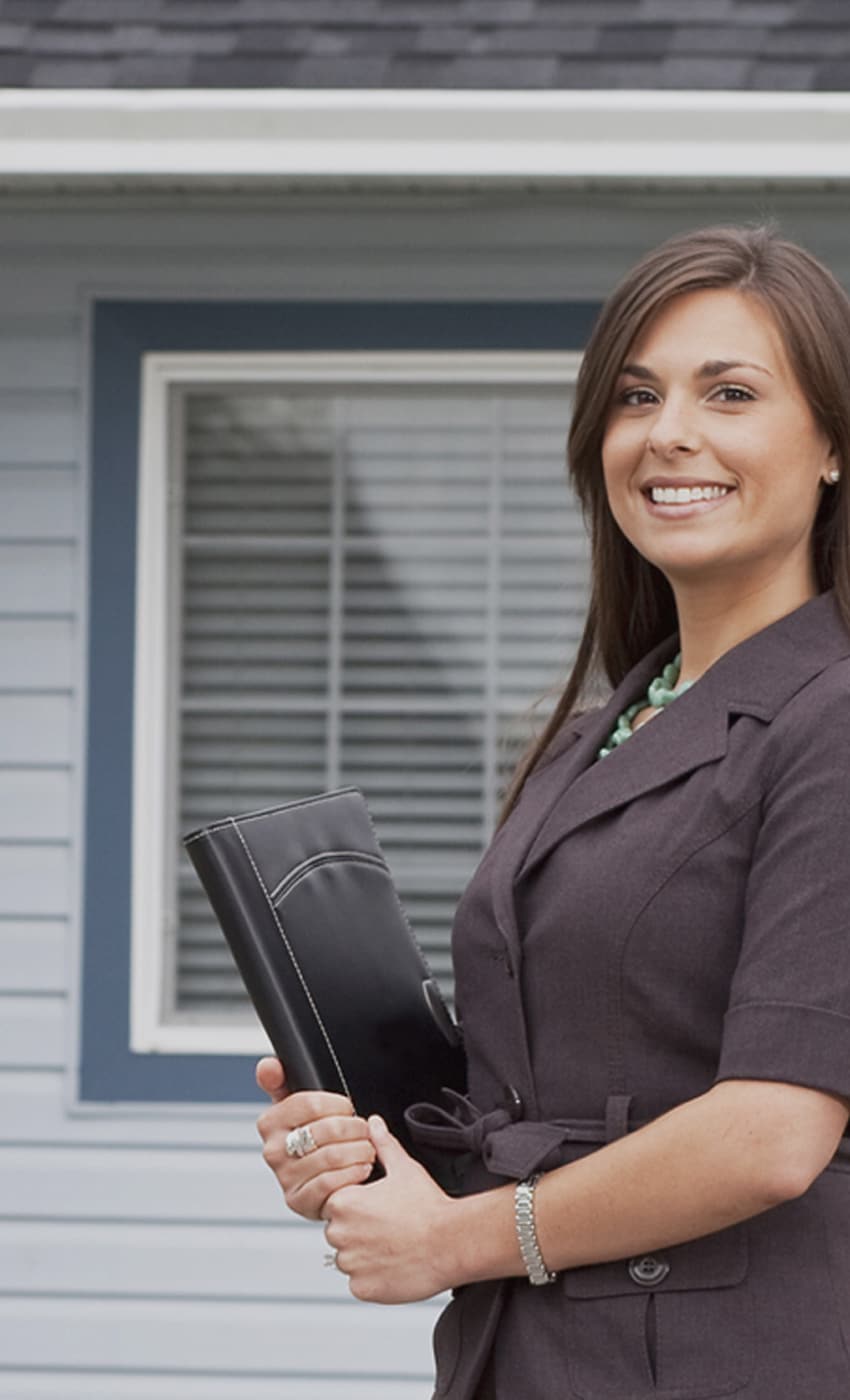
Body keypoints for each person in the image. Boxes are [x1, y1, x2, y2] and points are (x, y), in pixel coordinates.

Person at [255, 225, 850, 1399]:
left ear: (831, 443)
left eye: (728, 392)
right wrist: (371, 1144)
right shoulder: (599, 731)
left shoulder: (831, 718)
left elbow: (774, 1129)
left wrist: (458, 1239)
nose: (668, 430)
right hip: (529, 1357)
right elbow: (553, 1085)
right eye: (636, 394)